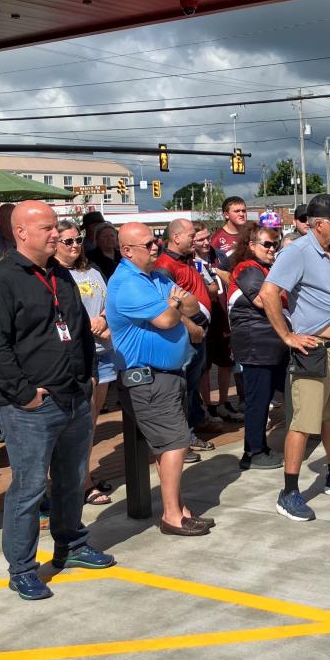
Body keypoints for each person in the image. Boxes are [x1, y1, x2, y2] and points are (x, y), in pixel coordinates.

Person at [0, 201, 115, 601]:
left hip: (73, 395)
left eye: (57, 228)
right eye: (49, 229)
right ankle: (22, 567)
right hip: (30, 406)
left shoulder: (60, 275)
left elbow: (76, 328)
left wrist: (87, 375)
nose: (57, 234)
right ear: (22, 232)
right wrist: (23, 394)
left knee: (72, 478)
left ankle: (70, 544)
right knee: (31, 486)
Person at [260, 194, 330, 522]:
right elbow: (268, 293)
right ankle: (289, 492)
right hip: (311, 349)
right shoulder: (296, 252)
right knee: (303, 422)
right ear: (319, 224)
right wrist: (287, 336)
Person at [109, 222, 213, 536]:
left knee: (170, 444)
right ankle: (172, 516)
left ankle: (177, 508)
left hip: (168, 376)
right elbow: (167, 320)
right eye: (147, 245)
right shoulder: (128, 283)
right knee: (176, 444)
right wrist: (175, 306)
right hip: (148, 379)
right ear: (127, 251)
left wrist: (176, 304)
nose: (155, 247)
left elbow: (192, 304)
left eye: (155, 241)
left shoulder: (154, 277)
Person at [54, 220, 117, 503]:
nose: (75, 246)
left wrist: (103, 319)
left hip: (102, 350)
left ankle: (84, 475)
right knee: (78, 422)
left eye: (78, 239)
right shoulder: (53, 275)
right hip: (76, 354)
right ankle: (77, 482)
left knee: (91, 421)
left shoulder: (92, 270)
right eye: (68, 241)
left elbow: (108, 301)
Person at [226, 222, 287, 470]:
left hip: (269, 344)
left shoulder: (262, 268)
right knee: (257, 400)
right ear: (251, 246)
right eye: (267, 244)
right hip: (256, 343)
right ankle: (253, 451)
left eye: (275, 243)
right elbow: (264, 300)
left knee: (266, 397)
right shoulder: (248, 268)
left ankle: (259, 446)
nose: (272, 248)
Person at [155, 219, 214, 456]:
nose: (195, 239)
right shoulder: (165, 266)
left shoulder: (186, 261)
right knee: (181, 389)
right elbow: (167, 305)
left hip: (198, 336)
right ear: (176, 237)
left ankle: (191, 428)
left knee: (190, 387)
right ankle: (182, 440)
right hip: (186, 337)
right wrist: (191, 327)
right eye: (191, 235)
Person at [194, 222, 241, 424]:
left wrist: (218, 272)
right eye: (200, 239)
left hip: (222, 316)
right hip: (203, 319)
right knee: (204, 366)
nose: (206, 242)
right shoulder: (189, 261)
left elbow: (231, 279)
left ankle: (223, 402)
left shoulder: (218, 256)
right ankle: (208, 404)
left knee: (226, 362)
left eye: (207, 237)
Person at [210, 196, 247, 269]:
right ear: (226, 215)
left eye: (244, 211)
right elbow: (214, 268)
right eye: (237, 211)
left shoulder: (251, 233)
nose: (242, 214)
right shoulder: (216, 238)